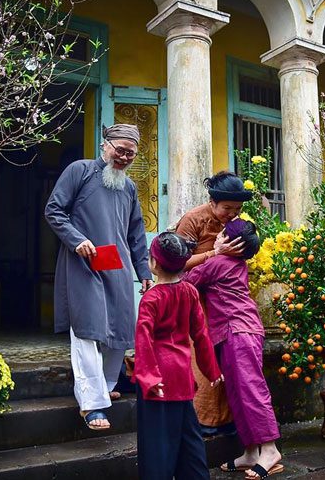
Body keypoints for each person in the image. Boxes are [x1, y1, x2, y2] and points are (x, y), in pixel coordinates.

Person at [45, 124, 154, 431]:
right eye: (120, 150)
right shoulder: (80, 171)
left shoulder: (129, 187)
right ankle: (92, 404)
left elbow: (136, 233)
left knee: (121, 330)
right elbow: (54, 210)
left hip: (116, 265)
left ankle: (106, 385)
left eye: (130, 154)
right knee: (87, 329)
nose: (124, 158)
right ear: (105, 145)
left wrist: (142, 270)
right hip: (83, 262)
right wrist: (75, 239)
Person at [183, 219, 283, 480]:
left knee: (250, 389)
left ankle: (270, 449)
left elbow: (187, 281)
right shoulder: (237, 263)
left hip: (238, 332)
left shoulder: (218, 263)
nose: (218, 236)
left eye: (223, 235)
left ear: (230, 242)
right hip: (237, 332)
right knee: (237, 393)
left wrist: (214, 251)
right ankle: (250, 451)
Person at [133, 232, 223, 480]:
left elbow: (144, 341)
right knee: (188, 439)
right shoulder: (190, 292)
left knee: (157, 445)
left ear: (154, 264)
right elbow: (202, 335)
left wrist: (149, 379)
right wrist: (212, 370)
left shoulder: (151, 298)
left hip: (158, 378)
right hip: (182, 374)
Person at [174, 171, 250, 435]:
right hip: (194, 297)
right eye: (227, 208)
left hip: (223, 301)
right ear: (213, 202)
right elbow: (177, 263)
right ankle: (203, 420)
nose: (232, 214)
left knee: (224, 359)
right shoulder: (193, 219)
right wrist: (214, 253)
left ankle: (224, 419)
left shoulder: (235, 222)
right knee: (201, 357)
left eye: (237, 209)